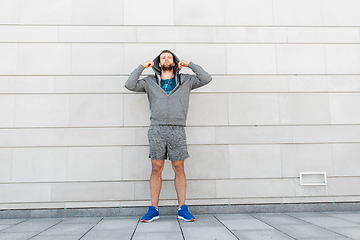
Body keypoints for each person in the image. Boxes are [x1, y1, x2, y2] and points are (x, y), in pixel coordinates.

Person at [125, 50, 212, 222]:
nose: (166, 59)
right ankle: (154, 209)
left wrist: (190, 64)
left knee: (179, 167)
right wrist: (142, 67)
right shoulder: (149, 82)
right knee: (156, 167)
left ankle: (182, 209)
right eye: (163, 57)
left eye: (169, 57)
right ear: (158, 62)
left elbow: (206, 78)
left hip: (177, 129)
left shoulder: (186, 80)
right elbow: (129, 84)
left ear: (174, 62)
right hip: (157, 129)